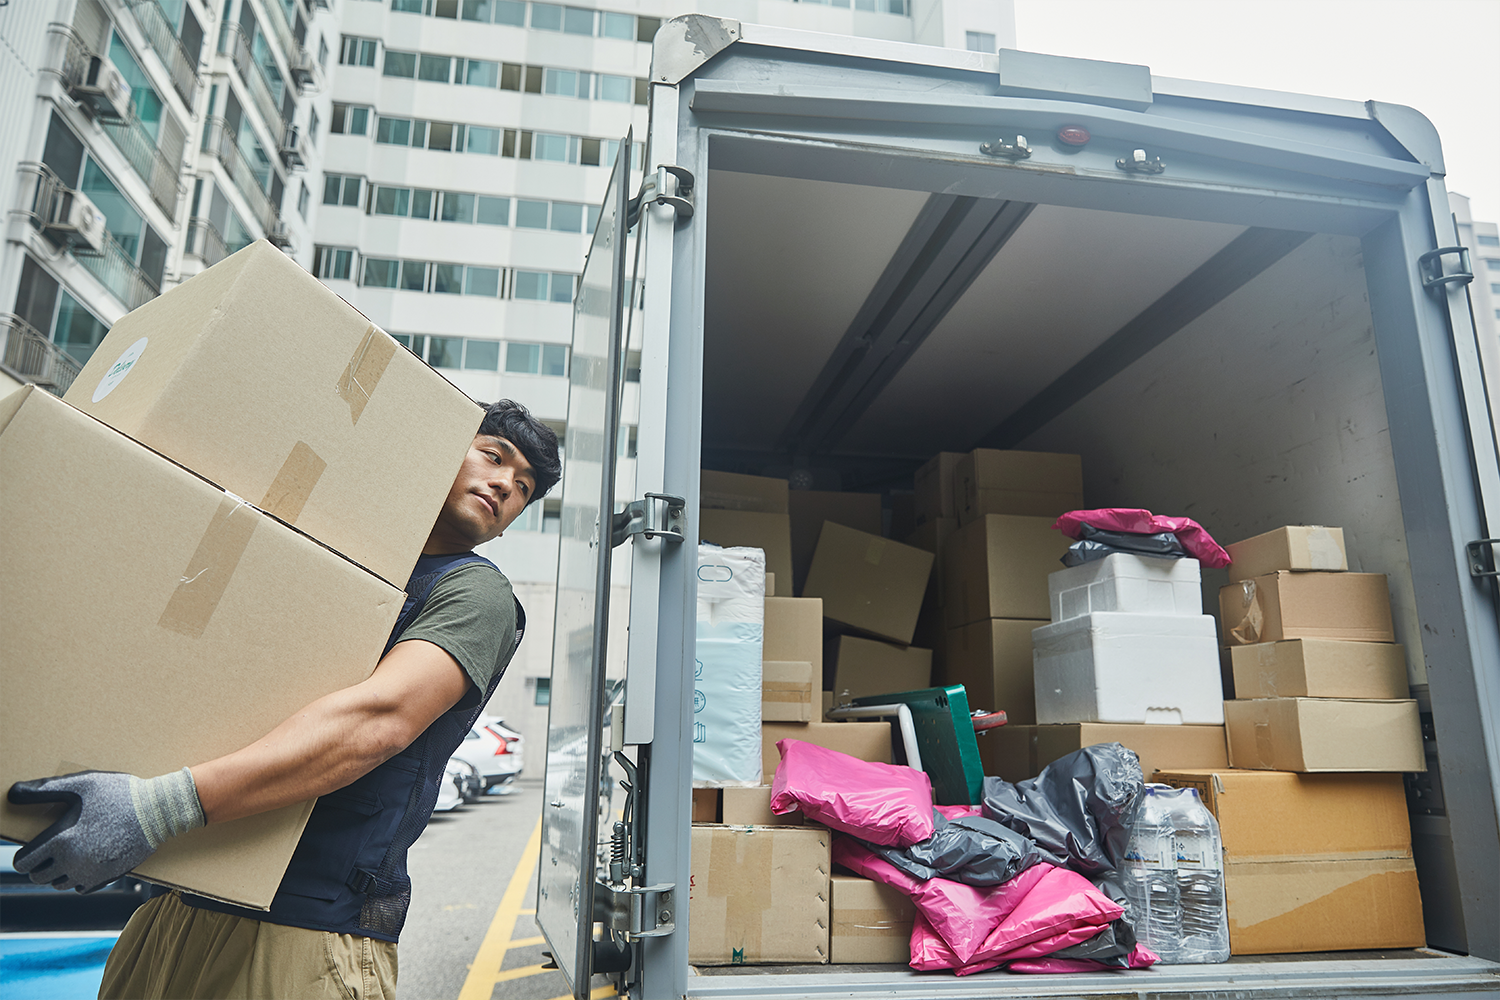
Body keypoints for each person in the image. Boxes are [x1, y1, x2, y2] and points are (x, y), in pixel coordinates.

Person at [7, 399, 561, 1000]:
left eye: (523, 489)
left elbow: (376, 722)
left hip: (304, 928)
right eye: (494, 456)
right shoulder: (344, 562)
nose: (505, 485)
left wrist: (153, 810)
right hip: (184, 899)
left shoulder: (476, 593)